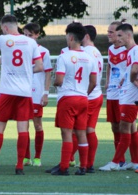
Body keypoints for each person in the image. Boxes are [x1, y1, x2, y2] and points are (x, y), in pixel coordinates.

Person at [0, 14, 43, 175]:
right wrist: (27, 71)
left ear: (5, 27)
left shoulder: (2, 40)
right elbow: (40, 66)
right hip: (24, 92)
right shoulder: (31, 42)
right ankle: (19, 166)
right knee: (22, 128)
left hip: (7, 91)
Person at [50, 22, 97, 176]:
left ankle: (64, 167)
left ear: (70, 38)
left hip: (68, 98)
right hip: (83, 98)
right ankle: (83, 167)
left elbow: (59, 80)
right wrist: (85, 92)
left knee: (67, 133)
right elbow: (94, 82)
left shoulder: (64, 56)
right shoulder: (90, 58)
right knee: (81, 132)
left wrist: (54, 83)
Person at [99, 23, 138, 171]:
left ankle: (115, 162)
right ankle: (135, 161)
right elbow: (130, 69)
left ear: (128, 35)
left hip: (130, 95)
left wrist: (132, 79)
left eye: (120, 35)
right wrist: (126, 78)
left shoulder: (135, 50)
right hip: (125, 93)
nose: (117, 38)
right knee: (129, 127)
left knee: (124, 127)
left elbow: (135, 69)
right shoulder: (130, 51)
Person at [22, 22, 52, 167]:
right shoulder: (21, 50)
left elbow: (48, 73)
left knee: (37, 125)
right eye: (25, 35)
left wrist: (45, 93)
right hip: (22, 92)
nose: (28, 38)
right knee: (23, 126)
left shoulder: (44, 52)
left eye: (30, 35)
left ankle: (37, 158)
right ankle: (26, 157)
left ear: (37, 35)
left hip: (36, 94)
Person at [104, 20, 128, 167]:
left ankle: (130, 160)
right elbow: (109, 65)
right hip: (112, 92)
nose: (108, 34)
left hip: (124, 93)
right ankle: (120, 160)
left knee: (125, 126)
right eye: (108, 31)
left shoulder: (128, 50)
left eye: (111, 32)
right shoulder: (110, 49)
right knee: (114, 126)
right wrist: (107, 81)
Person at [82, 25, 104, 173]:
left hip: (89, 95)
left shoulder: (86, 52)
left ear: (87, 36)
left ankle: (72, 161)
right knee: (89, 129)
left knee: (78, 130)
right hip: (97, 95)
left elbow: (88, 77)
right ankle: (89, 163)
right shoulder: (96, 52)